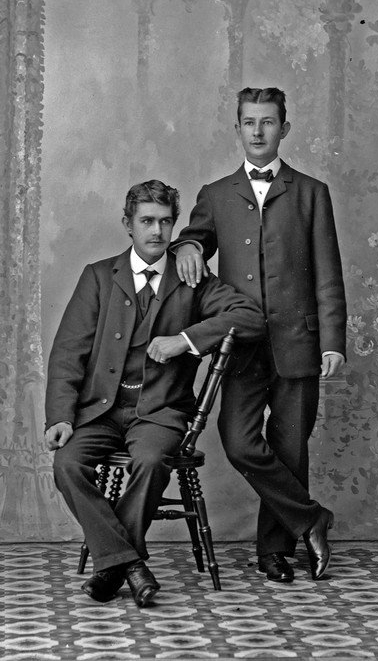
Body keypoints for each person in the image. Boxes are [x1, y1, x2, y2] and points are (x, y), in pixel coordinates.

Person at [44, 179, 265, 607]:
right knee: (67, 463)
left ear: (174, 225)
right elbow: (68, 354)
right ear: (128, 224)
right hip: (100, 411)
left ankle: (112, 564)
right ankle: (129, 564)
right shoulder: (98, 277)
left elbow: (250, 317)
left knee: (149, 461)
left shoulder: (191, 278)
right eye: (147, 221)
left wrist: (185, 339)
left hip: (159, 412)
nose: (157, 231)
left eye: (165, 222)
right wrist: (61, 417)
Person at [174, 87, 347, 583]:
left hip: (300, 343)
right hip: (242, 346)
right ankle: (311, 518)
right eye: (249, 122)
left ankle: (275, 551)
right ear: (237, 129)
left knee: (290, 450)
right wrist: (188, 246)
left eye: (267, 122)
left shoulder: (311, 192)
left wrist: (332, 341)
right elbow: (195, 237)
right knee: (239, 441)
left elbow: (328, 273)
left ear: (283, 129)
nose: (257, 131)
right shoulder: (216, 194)